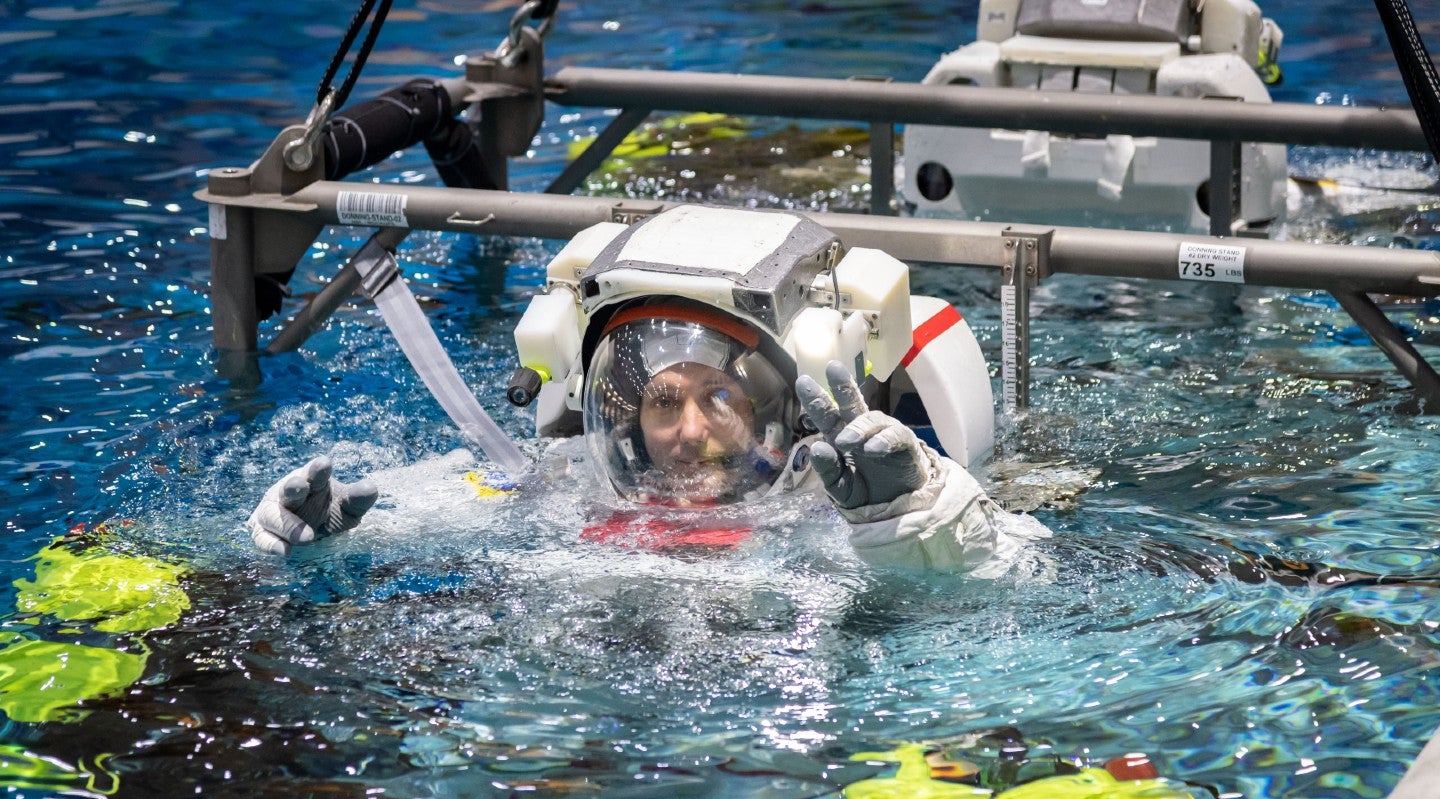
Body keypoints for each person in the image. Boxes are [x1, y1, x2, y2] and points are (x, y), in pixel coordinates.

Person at [248, 206, 1051, 571]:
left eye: (720, 398)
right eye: (664, 401)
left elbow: (1028, 577)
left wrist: (921, 513)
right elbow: (419, 508)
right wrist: (327, 530)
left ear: (779, 408)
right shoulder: (567, 485)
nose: (688, 432)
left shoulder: (840, 511)